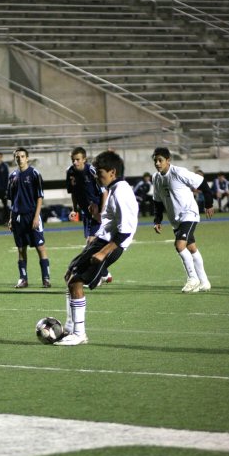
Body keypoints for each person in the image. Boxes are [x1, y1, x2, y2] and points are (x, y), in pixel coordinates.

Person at [55, 150, 138, 345]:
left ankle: (79, 333)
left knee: (76, 282)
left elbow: (125, 231)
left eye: (100, 172)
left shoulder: (122, 192)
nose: (97, 176)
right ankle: (70, 327)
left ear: (112, 172)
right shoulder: (114, 189)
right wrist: (96, 217)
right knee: (69, 275)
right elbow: (110, 222)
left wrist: (102, 252)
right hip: (102, 241)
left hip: (111, 245)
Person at [151, 147, 213, 293]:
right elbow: (157, 201)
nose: (157, 163)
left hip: (189, 214)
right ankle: (204, 282)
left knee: (180, 245)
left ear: (168, 160)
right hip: (176, 219)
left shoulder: (179, 172)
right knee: (191, 248)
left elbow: (203, 184)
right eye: (155, 161)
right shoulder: (156, 178)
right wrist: (157, 220)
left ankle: (193, 279)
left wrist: (208, 204)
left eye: (160, 160)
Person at [66, 146, 112, 284]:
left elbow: (104, 192)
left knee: (91, 243)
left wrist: (101, 212)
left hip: (96, 211)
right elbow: (73, 192)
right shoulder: (70, 172)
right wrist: (74, 209)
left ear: (84, 159)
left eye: (78, 160)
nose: (75, 162)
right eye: (73, 160)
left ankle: (94, 276)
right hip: (87, 213)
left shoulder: (91, 171)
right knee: (91, 244)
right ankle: (105, 273)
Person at [7, 147, 51, 288]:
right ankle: (23, 279)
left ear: (27, 158)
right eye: (17, 156)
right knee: (21, 248)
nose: (19, 158)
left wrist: (36, 217)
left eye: (22, 156)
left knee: (40, 247)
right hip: (17, 217)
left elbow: (39, 196)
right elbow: (12, 199)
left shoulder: (34, 174)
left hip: (32, 215)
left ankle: (46, 277)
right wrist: (10, 218)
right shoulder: (12, 176)